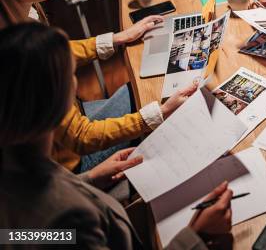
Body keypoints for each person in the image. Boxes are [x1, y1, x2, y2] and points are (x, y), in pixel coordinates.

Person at [0, 22, 232, 249]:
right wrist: (195, 236)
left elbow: (25, 236)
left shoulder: (15, 167)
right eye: (71, 73)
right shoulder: (71, 219)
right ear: (56, 104)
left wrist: (89, 179)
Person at [0, 0, 196, 172]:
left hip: (77, 117)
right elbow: (82, 137)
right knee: (159, 104)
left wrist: (116, 39)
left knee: (143, 90)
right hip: (72, 163)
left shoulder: (24, 13)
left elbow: (57, 53)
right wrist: (160, 114)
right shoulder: (18, 59)